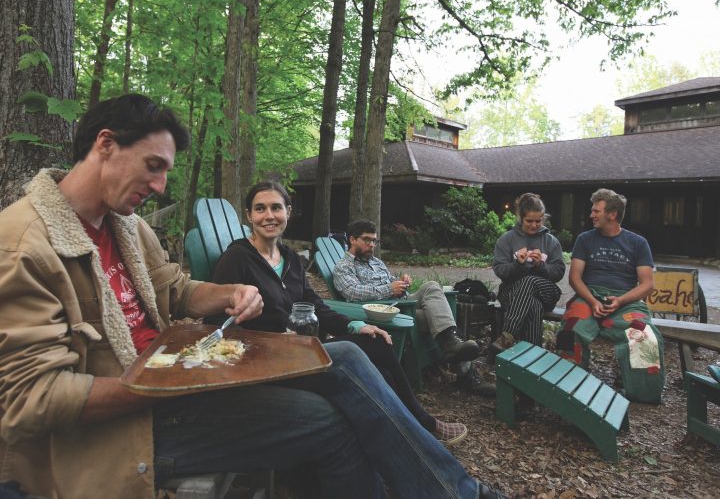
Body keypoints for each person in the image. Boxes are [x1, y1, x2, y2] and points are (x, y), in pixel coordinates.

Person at [0, 95, 504, 499]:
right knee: (332, 424)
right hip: (126, 425)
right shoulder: (26, 242)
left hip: (181, 378)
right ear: (105, 144)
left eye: (167, 172)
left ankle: (456, 490)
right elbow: (28, 400)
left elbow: (174, 289)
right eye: (153, 166)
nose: (158, 185)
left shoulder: (125, 227)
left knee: (348, 353)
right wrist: (164, 382)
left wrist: (230, 293)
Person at [208, 181, 468, 445]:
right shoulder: (237, 259)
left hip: (305, 350)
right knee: (376, 354)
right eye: (260, 209)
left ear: (288, 212)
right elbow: (215, 323)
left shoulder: (292, 260)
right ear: (249, 215)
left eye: (276, 207)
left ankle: (407, 433)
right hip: (269, 362)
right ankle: (423, 427)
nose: (269, 216)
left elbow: (316, 305)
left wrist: (355, 325)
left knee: (379, 352)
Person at [334, 220, 495, 396]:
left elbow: (391, 280)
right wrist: (389, 289)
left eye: (374, 241)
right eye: (367, 240)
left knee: (432, 286)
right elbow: (352, 292)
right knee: (438, 318)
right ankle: (466, 374)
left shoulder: (376, 262)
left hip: (402, 302)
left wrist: (402, 282)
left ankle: (452, 344)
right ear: (352, 240)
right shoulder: (344, 267)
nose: (371, 245)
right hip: (384, 312)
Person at [557, 188, 665, 404]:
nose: (591, 215)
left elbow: (647, 284)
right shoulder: (585, 239)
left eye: (596, 210)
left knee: (643, 333)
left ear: (612, 214)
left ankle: (643, 394)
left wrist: (621, 300)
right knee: (571, 328)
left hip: (625, 301)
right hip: (590, 296)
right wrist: (592, 301)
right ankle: (568, 385)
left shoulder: (637, 243)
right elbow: (575, 278)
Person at [491, 193, 565, 355]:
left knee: (530, 281)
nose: (534, 225)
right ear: (520, 218)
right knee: (533, 306)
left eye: (538, 221)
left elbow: (559, 272)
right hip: (511, 292)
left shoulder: (551, 241)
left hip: (546, 292)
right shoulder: (507, 240)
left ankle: (507, 335)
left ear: (543, 218)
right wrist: (518, 264)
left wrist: (541, 266)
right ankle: (533, 356)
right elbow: (500, 270)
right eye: (529, 221)